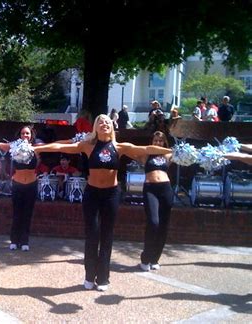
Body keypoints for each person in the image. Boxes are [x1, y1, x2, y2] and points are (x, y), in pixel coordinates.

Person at [33, 114, 171, 292]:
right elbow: (62, 146)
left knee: (106, 236)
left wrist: (172, 151)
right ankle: (90, 276)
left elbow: (146, 149)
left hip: (111, 195)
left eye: (107, 121)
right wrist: (39, 148)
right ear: (95, 128)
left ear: (112, 127)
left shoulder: (120, 147)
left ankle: (104, 277)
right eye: (100, 122)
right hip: (92, 194)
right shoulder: (88, 146)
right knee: (92, 235)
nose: (104, 124)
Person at [0, 125, 39, 252]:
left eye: (27, 133)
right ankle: (14, 241)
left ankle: (24, 241)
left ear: (31, 135)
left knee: (27, 213)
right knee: (17, 213)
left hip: (31, 185)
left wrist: (75, 141)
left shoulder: (36, 148)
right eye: (23, 133)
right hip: (17, 185)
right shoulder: (13, 146)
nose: (25, 136)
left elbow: (56, 146)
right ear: (20, 135)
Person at [128, 131, 173, 272]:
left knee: (163, 226)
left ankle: (155, 259)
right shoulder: (146, 155)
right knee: (154, 222)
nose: (158, 143)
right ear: (151, 141)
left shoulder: (168, 155)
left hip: (166, 189)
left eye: (160, 140)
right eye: (155, 140)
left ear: (164, 142)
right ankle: (145, 257)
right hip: (150, 189)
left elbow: (186, 156)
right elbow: (129, 150)